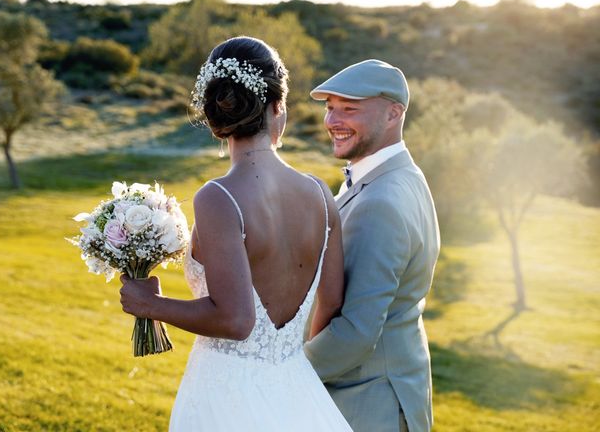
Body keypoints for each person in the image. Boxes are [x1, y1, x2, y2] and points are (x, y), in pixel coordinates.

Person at [119, 36, 352, 431]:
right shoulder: (319, 195)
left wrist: (150, 305)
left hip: (225, 394)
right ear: (277, 107)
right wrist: (282, 357)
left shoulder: (218, 197)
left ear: (218, 113)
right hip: (296, 389)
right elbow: (330, 300)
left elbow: (236, 320)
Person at [304, 59, 441, 432]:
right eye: (330, 108)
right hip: (386, 390)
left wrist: (286, 376)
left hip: (368, 404)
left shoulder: (381, 200)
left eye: (350, 109)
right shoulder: (401, 174)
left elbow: (355, 332)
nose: (333, 121)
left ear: (394, 113)